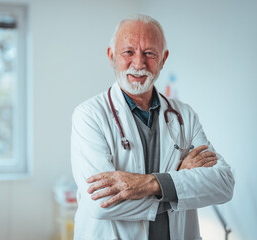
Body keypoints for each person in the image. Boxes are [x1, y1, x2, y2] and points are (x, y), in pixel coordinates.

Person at [71, 14, 234, 240]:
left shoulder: (184, 115)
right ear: (111, 56)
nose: (138, 64)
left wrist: (149, 183)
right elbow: (101, 204)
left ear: (163, 59)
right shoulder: (89, 115)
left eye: (149, 53)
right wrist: (176, 183)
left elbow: (223, 184)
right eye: (128, 52)